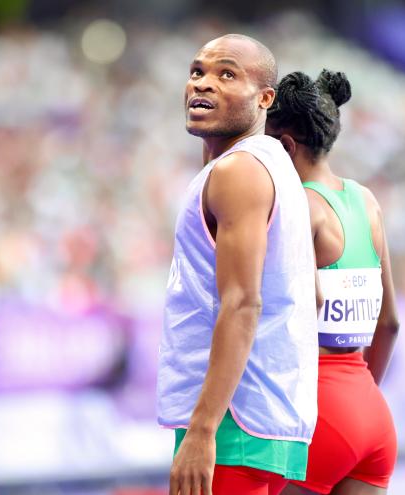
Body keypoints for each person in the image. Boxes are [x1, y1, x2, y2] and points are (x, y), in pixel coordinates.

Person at [156, 35, 318, 495]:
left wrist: (203, 430)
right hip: (256, 416)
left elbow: (243, 303)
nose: (203, 84)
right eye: (197, 72)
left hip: (231, 422)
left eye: (227, 74)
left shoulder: (239, 172)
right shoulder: (272, 165)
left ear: (266, 98)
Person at [266, 70, 400, 495]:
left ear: (285, 144)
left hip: (316, 411)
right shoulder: (367, 202)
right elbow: (390, 323)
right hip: (371, 411)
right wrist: (357, 397)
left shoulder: (297, 206)